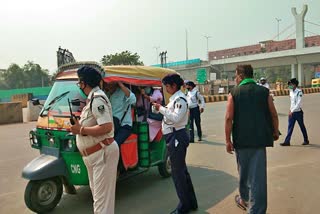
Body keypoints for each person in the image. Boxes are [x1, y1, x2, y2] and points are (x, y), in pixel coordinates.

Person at [225, 64, 279, 214]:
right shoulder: (264, 92)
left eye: (236, 76)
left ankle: (247, 202)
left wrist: (227, 140)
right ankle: (255, 206)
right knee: (258, 177)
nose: (235, 79)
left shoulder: (234, 93)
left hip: (241, 141)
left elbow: (229, 118)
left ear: (241, 76)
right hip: (259, 140)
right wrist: (275, 131)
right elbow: (273, 114)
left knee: (243, 172)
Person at [70, 66, 119, 214]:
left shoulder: (97, 99)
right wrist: (79, 126)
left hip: (101, 154)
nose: (79, 85)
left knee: (101, 202)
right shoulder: (91, 99)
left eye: (79, 81)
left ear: (84, 83)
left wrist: (81, 130)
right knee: (100, 200)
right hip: (94, 156)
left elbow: (106, 126)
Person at [152, 74, 198, 214]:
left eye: (167, 86)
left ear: (173, 85)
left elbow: (176, 118)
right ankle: (190, 202)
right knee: (181, 171)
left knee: (178, 173)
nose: (166, 89)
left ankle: (184, 206)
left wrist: (161, 108)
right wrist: (160, 109)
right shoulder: (174, 99)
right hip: (173, 135)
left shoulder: (180, 100)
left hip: (176, 136)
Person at [105, 82, 136, 146]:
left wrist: (120, 84)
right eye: (107, 83)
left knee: (114, 145)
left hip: (124, 126)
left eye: (111, 83)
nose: (109, 85)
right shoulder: (106, 94)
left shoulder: (123, 91)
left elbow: (133, 100)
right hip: (111, 125)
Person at [281, 78, 309, 146]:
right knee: (290, 127)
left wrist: (292, 111)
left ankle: (306, 140)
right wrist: (290, 110)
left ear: (295, 85)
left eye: (291, 84)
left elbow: (298, 103)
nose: (289, 86)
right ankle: (287, 141)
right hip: (292, 112)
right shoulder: (291, 91)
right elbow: (292, 103)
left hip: (298, 112)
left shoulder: (299, 92)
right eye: (289, 84)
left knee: (302, 126)